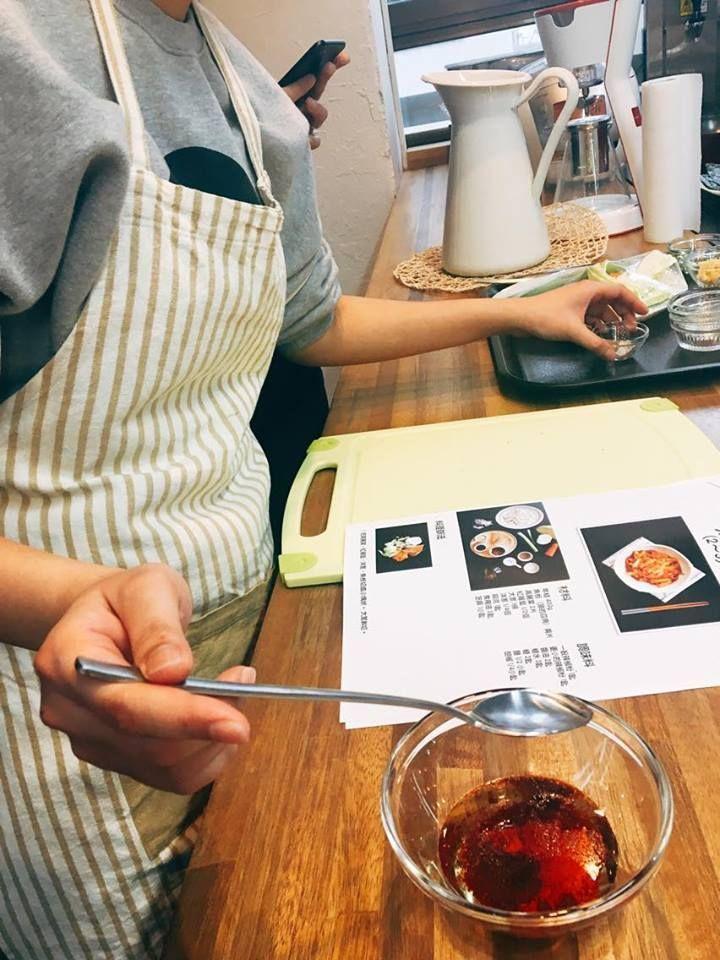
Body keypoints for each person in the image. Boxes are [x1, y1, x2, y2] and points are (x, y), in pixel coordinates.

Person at [0, 1, 647, 957]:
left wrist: (522, 312)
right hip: (71, 690)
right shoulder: (25, 50)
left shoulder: (248, 92)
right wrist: (68, 598)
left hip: (258, 644)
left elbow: (310, 324)